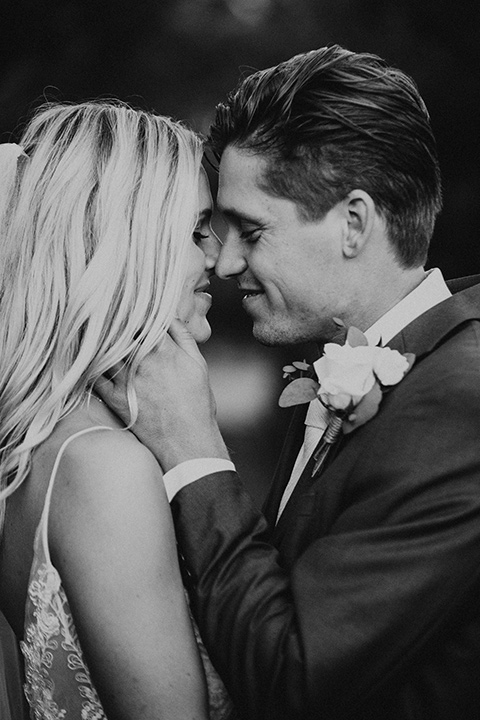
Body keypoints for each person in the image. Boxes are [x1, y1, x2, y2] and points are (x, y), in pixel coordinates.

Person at [96, 45, 480, 720]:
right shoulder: (389, 364)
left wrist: (195, 453)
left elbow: (292, 679)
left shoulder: (460, 402)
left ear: (354, 223)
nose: (226, 263)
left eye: (250, 229)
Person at [0, 101, 237, 720]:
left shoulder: (45, 443)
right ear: (128, 248)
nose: (216, 258)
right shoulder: (106, 469)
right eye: (194, 231)